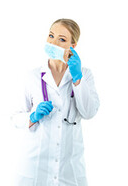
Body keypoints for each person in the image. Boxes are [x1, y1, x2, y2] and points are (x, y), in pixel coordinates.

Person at [11, 18, 99, 186]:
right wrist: (32, 116)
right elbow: (15, 117)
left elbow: (89, 112)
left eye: (62, 39)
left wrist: (78, 79)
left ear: (73, 46)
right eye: (51, 35)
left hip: (69, 168)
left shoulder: (84, 74)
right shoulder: (33, 76)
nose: (53, 42)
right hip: (35, 166)